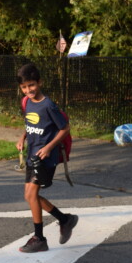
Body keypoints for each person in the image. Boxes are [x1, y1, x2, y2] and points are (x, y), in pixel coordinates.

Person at [16, 63, 78, 253]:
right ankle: (64, 219)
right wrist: (23, 137)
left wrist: (50, 147)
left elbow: (65, 128)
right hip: (32, 153)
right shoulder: (26, 102)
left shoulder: (48, 105)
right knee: (29, 196)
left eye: (32, 85)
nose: (29, 90)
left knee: (32, 195)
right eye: (25, 87)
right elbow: (30, 123)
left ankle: (39, 238)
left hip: (45, 156)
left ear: (39, 82)